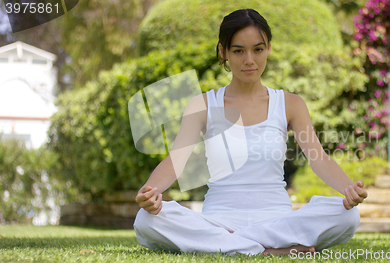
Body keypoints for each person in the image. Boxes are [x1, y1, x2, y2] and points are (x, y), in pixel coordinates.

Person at [133, 8, 367, 256]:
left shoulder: (290, 104)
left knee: (348, 216)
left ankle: (231, 246)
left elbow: (318, 157)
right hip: (219, 220)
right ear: (223, 51)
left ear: (268, 48)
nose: (249, 60)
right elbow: (176, 160)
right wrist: (149, 192)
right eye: (238, 51)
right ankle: (268, 251)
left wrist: (349, 190)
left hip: (276, 221)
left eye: (257, 49)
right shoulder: (202, 105)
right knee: (146, 220)